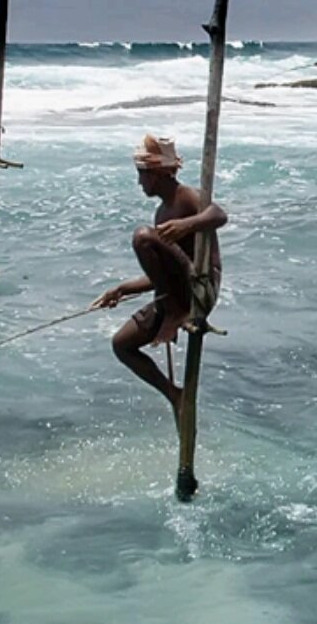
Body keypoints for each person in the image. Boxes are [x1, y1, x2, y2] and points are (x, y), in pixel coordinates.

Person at [92, 134, 228, 442]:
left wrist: (188, 225)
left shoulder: (187, 198)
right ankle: (173, 394)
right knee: (122, 344)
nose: (140, 182)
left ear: (159, 173)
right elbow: (161, 276)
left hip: (200, 291)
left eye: (143, 174)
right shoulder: (160, 212)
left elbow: (219, 215)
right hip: (175, 293)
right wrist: (122, 289)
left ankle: (174, 311)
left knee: (144, 236)